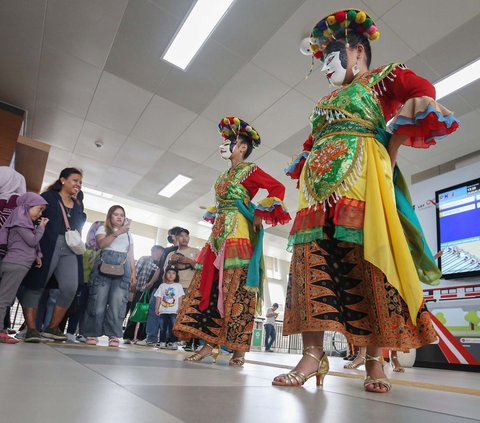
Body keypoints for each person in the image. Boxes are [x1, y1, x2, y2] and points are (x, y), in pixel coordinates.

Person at [273, 9, 459, 392]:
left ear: (357, 51)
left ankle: (375, 359)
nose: (325, 68)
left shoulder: (381, 78)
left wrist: (392, 145)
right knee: (312, 261)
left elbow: (421, 90)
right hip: (318, 189)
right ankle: (312, 355)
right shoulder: (326, 101)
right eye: (321, 61)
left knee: (371, 259)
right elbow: (311, 143)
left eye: (331, 57)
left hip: (363, 179)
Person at [174, 116, 291, 366]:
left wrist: (260, 212)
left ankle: (239, 350)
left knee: (237, 293)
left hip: (238, 237)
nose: (224, 145)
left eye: (229, 140)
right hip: (217, 237)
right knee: (210, 288)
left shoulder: (252, 170)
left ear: (242, 147)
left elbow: (277, 188)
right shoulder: (222, 177)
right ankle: (208, 343)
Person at [21, 168, 85, 343]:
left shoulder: (78, 204)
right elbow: (34, 217)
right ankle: (31, 329)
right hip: (48, 245)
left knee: (71, 286)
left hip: (70, 247)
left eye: (80, 182)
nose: (78, 184)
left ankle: (52, 327)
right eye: (74, 180)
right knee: (37, 284)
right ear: (63, 180)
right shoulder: (48, 197)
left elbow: (78, 226)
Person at [82, 205, 136, 347]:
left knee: (118, 303)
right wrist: (117, 232)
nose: (119, 217)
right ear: (110, 217)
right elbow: (101, 244)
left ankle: (113, 335)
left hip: (123, 267)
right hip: (103, 265)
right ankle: (92, 333)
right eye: (116, 214)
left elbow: (131, 254)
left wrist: (133, 273)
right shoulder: (102, 228)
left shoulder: (129, 234)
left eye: (122, 215)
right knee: (97, 300)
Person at [0, 193, 48, 343]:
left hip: (17, 264)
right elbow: (32, 241)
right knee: (4, 299)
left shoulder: (23, 223)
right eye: (39, 209)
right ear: (27, 207)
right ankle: (1, 332)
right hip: (16, 265)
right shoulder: (21, 223)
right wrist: (41, 227)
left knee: (5, 299)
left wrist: (37, 255)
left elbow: (27, 244)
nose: (40, 214)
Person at [139, 227, 181, 346]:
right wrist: (151, 282)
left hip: (173, 288)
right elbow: (159, 268)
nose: (169, 237)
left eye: (171, 235)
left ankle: (167, 340)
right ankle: (151, 337)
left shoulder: (181, 251)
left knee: (170, 314)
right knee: (153, 310)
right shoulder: (166, 250)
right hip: (159, 286)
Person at [163, 227, 199, 352]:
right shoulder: (170, 254)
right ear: (176, 238)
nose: (184, 238)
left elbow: (203, 268)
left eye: (186, 236)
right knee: (173, 315)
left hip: (191, 287)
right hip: (175, 288)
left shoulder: (195, 251)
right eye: (181, 236)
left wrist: (189, 261)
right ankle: (171, 340)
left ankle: (189, 343)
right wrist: (171, 262)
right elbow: (166, 272)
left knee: (190, 315)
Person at [0, 167, 26, 333]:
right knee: (5, 295)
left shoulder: (3, 201)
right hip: (13, 256)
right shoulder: (22, 205)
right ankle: (3, 326)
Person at [123, 245, 163, 343]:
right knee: (135, 312)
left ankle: (141, 337)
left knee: (147, 315)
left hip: (153, 293)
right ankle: (128, 336)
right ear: (154, 251)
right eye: (159, 251)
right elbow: (135, 273)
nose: (160, 254)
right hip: (140, 290)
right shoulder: (144, 259)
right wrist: (133, 286)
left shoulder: (161, 264)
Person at [155, 265, 184, 350]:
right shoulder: (162, 286)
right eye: (169, 273)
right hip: (163, 310)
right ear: (165, 274)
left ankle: (173, 342)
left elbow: (180, 298)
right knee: (163, 328)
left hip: (174, 311)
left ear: (176, 275)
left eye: (173, 273)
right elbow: (158, 297)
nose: (171, 275)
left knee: (173, 328)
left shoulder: (178, 286)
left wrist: (180, 308)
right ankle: (162, 342)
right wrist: (157, 307)